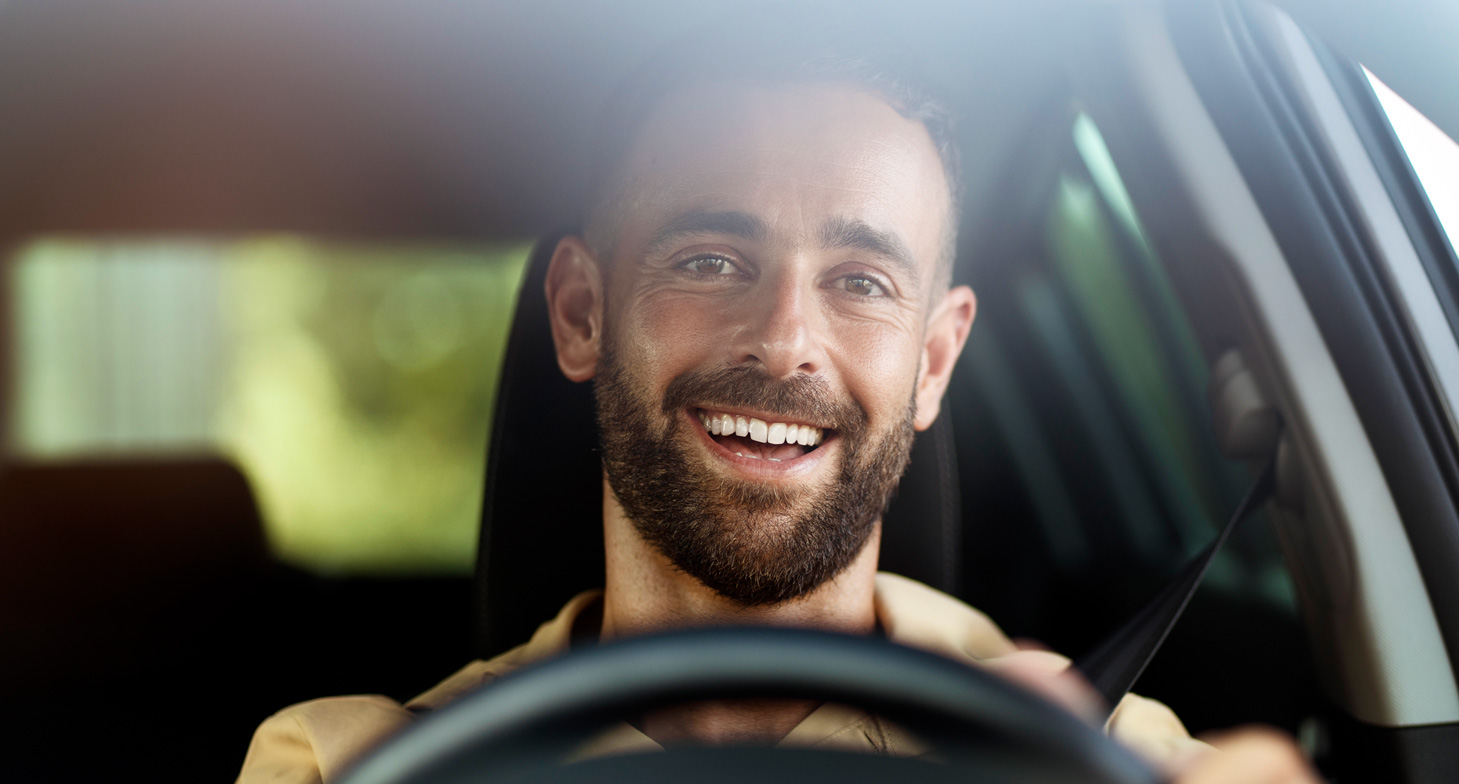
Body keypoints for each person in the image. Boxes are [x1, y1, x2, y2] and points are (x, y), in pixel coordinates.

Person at [235, 28, 1321, 784]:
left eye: (860, 281)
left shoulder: (1098, 747)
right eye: (710, 259)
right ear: (579, 314)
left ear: (936, 361)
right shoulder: (353, 763)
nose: (788, 340)